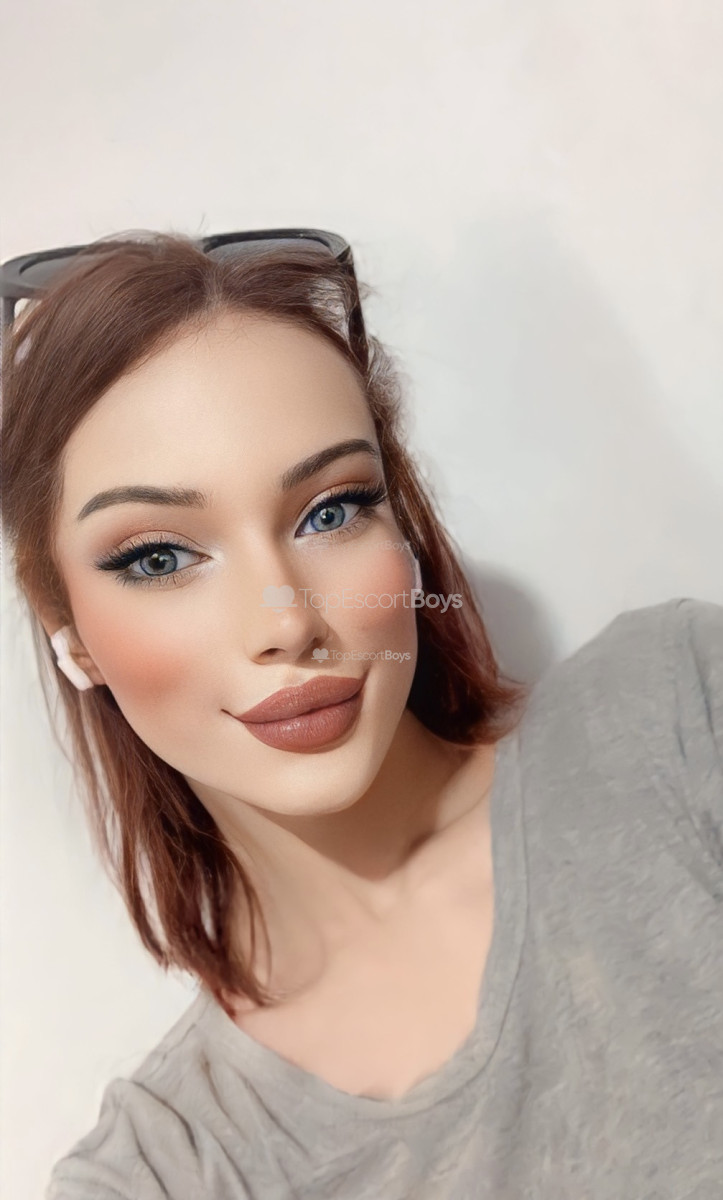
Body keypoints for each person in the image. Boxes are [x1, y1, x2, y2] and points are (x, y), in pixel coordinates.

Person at [1, 229, 721, 1200]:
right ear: (69, 631)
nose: (287, 622)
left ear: (404, 529)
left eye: (332, 510)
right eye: (159, 557)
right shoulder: (166, 1172)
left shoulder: (679, 712)